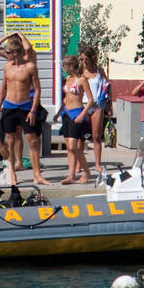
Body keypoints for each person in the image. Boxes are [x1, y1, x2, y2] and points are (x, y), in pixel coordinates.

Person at [0, 31, 52, 190]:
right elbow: (3, 87)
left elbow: (38, 89)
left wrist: (32, 110)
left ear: (16, 52)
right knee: (9, 142)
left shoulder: (30, 65)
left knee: (32, 141)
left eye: (9, 52)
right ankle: (12, 174)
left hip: (25, 107)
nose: (6, 54)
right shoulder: (7, 66)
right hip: (9, 107)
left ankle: (37, 175)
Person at [59, 55, 94, 184]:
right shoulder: (68, 79)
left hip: (77, 114)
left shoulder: (81, 80)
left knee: (75, 147)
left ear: (71, 66)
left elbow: (90, 100)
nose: (64, 68)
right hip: (67, 114)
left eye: (65, 66)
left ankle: (86, 171)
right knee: (69, 147)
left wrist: (82, 114)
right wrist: (59, 113)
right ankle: (71, 175)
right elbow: (66, 98)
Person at [79, 45, 109, 176]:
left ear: (92, 59)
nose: (84, 62)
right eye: (82, 59)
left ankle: (97, 164)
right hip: (83, 104)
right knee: (81, 137)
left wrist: (109, 106)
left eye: (86, 59)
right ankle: (80, 164)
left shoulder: (99, 71)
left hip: (97, 105)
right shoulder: (80, 71)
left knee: (96, 136)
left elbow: (107, 87)